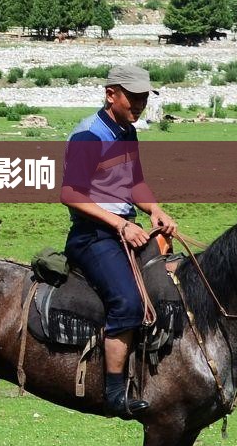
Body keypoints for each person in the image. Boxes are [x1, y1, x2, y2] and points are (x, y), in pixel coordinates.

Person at [58, 63, 173, 420]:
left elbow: (133, 184)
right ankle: (112, 394)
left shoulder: (126, 133)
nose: (139, 104)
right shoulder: (89, 136)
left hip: (126, 230)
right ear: (112, 94)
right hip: (93, 236)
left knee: (172, 286)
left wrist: (155, 209)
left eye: (143, 98)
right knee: (127, 303)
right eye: (133, 97)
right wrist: (120, 225)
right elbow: (70, 194)